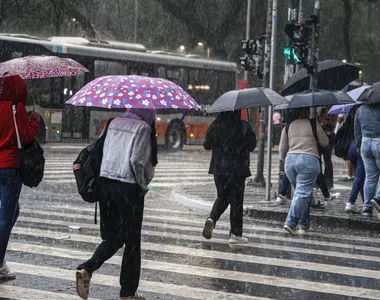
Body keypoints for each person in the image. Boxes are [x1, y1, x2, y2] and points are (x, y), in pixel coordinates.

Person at [76, 108, 157, 300]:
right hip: (128, 188)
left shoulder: (113, 123)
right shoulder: (143, 128)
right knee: (132, 242)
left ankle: (87, 269)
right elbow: (137, 162)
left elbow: (101, 152)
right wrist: (144, 184)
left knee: (114, 237)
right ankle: (127, 293)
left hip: (105, 186)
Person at [0, 75, 40, 281]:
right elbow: (25, 137)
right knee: (7, 217)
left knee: (12, 212)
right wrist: (35, 120)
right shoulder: (17, 108)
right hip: (10, 167)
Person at [202, 111, 256, 244]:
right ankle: (236, 234)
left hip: (219, 169)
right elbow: (252, 146)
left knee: (222, 197)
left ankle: (212, 219)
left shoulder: (216, 124)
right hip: (237, 169)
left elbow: (206, 145)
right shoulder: (243, 125)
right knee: (236, 201)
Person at [279, 108, 329, 235]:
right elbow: (325, 142)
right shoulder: (313, 124)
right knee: (302, 193)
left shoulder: (288, 126)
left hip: (290, 161)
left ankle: (304, 224)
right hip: (308, 160)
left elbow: (282, 149)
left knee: (301, 193)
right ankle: (290, 222)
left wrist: (285, 162)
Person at [354, 103, 380, 216]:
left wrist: (358, 145)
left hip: (365, 143)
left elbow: (357, 130)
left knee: (370, 178)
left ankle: (367, 207)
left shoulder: (360, 110)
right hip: (378, 141)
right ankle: (378, 198)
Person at [317, 107, 336, 189]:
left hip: (323, 140)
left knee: (320, 161)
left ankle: (320, 181)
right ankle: (327, 182)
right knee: (327, 161)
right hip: (328, 140)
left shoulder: (318, 117)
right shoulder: (328, 116)